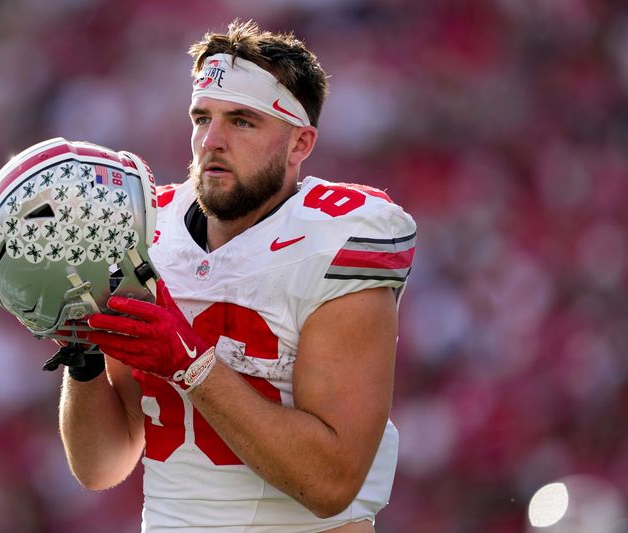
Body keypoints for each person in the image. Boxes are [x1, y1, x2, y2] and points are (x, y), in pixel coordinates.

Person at [60, 20, 416, 532]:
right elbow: (102, 467)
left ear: (300, 144)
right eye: (201, 117)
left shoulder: (339, 239)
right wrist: (86, 361)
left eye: (242, 121)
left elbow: (330, 485)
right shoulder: (147, 236)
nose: (212, 140)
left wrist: (191, 364)